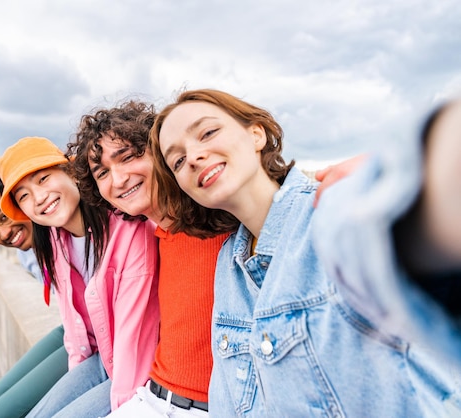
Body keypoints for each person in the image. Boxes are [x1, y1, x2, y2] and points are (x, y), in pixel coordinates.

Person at [149, 88, 461, 416]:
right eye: (178, 160)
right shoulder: (229, 263)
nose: (194, 156)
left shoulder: (332, 211)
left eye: (208, 132)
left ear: (256, 134)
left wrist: (403, 169)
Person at [68, 100, 238, 417]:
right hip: (152, 398)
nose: (118, 179)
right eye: (102, 172)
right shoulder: (154, 238)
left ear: (161, 152)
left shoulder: (220, 219)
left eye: (129, 157)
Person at [0, 137, 159, 418]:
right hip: (104, 359)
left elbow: (136, 337)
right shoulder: (55, 241)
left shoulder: (128, 227)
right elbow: (74, 328)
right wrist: (77, 377)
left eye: (43, 179)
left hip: (140, 367)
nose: (38, 198)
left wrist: (122, 409)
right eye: (23, 196)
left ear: (72, 172)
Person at [313, 98, 461, 367]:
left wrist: (379, 181)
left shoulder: (324, 206)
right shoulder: (227, 250)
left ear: (257, 134)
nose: (206, 153)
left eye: (210, 133)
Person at [0, 170, 69, 418]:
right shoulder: (25, 254)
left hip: (93, 338)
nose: (4, 233)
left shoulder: (66, 231)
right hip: (71, 328)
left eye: (4, 217)